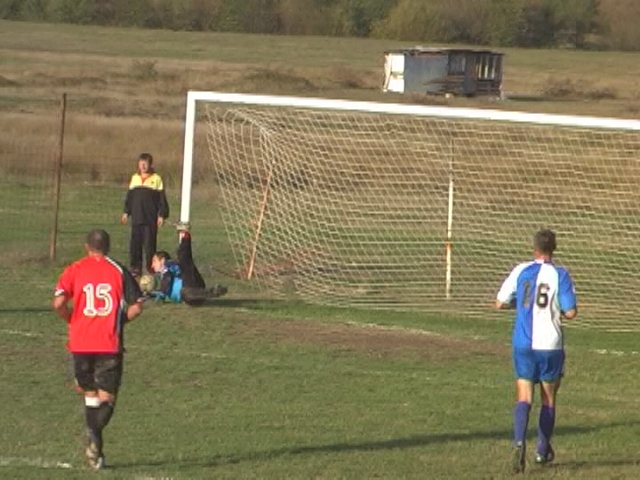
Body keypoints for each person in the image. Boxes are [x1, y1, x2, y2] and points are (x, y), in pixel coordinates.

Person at [52, 229, 145, 470]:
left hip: (80, 344)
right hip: (108, 344)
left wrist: (70, 319)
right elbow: (137, 307)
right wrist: (118, 320)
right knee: (108, 399)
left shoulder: (75, 269)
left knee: (90, 395)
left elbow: (58, 303)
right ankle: (93, 434)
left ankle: (97, 455)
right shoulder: (118, 270)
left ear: (86, 247)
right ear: (108, 247)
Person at [495, 228, 577, 474]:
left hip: (523, 343)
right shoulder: (560, 274)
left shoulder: (520, 270)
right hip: (550, 345)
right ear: (554, 248)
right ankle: (542, 449)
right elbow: (571, 312)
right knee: (548, 399)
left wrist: (519, 306)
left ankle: (519, 443)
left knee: (524, 396)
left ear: (534, 248)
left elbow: (499, 302)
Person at [143, 223, 228, 306]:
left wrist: (160, 293)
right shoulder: (163, 275)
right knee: (185, 293)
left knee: (183, 258)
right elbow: (165, 289)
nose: (152, 265)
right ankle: (211, 292)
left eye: (154, 261)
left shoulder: (168, 266)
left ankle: (186, 234)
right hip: (191, 298)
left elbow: (167, 278)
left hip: (193, 284)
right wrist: (150, 294)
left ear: (162, 260)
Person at [121, 152, 170, 277]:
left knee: (149, 246)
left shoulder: (156, 179)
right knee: (135, 245)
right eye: (141, 163)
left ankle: (150, 269)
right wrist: (126, 212)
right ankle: (135, 269)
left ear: (150, 164)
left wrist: (161, 215)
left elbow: (161, 199)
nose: (143, 166)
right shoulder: (135, 178)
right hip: (137, 218)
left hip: (149, 219)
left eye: (145, 163)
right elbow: (130, 198)